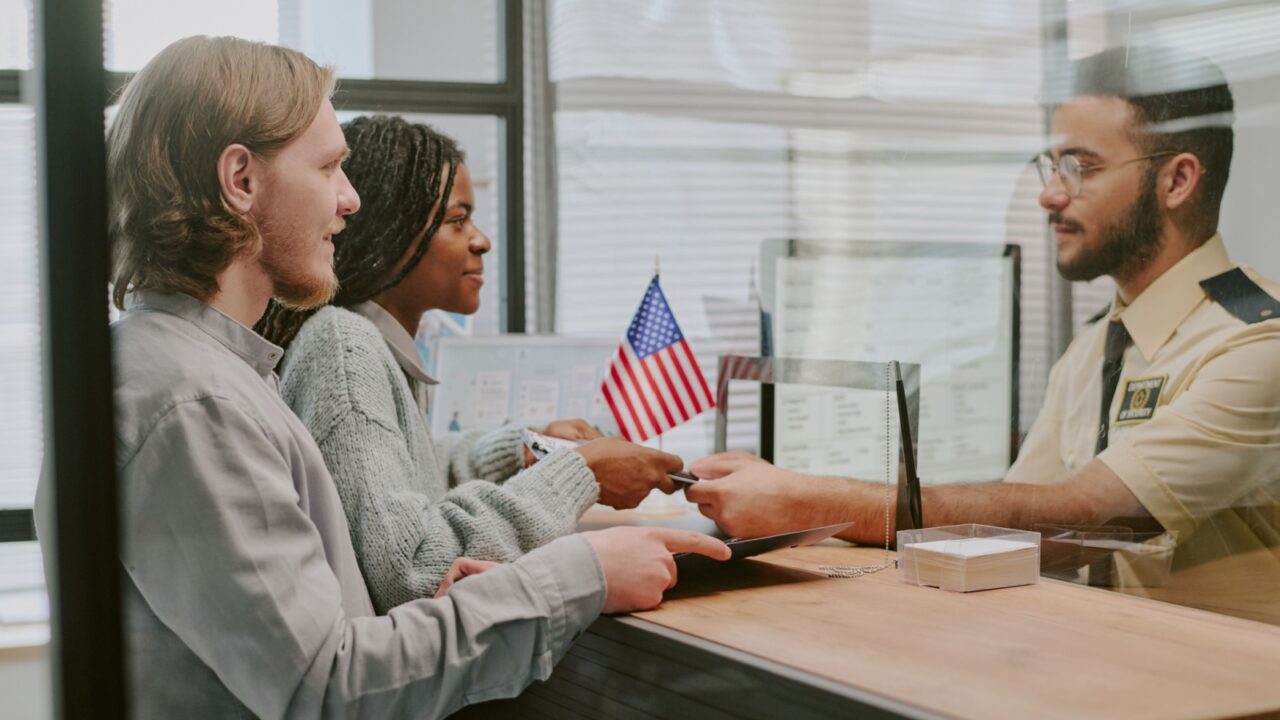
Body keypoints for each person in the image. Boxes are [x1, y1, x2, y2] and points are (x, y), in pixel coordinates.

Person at [34, 35, 729, 719]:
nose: (350, 200)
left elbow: (317, 637)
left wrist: (463, 600)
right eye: (330, 167)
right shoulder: (194, 401)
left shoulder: (203, 374)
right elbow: (330, 687)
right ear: (241, 180)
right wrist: (580, 576)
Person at [686, 46, 1280, 599]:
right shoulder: (1095, 347)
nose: (1050, 195)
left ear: (1177, 180)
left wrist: (808, 504)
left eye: (1081, 167)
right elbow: (1019, 527)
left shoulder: (1257, 344)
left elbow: (1085, 514)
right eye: (1051, 165)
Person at [256, 115, 686, 611]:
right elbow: (413, 569)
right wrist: (576, 475)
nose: (481, 241)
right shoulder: (345, 347)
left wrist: (522, 450)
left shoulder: (365, 341)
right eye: (458, 221)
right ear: (390, 232)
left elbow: (406, 475)